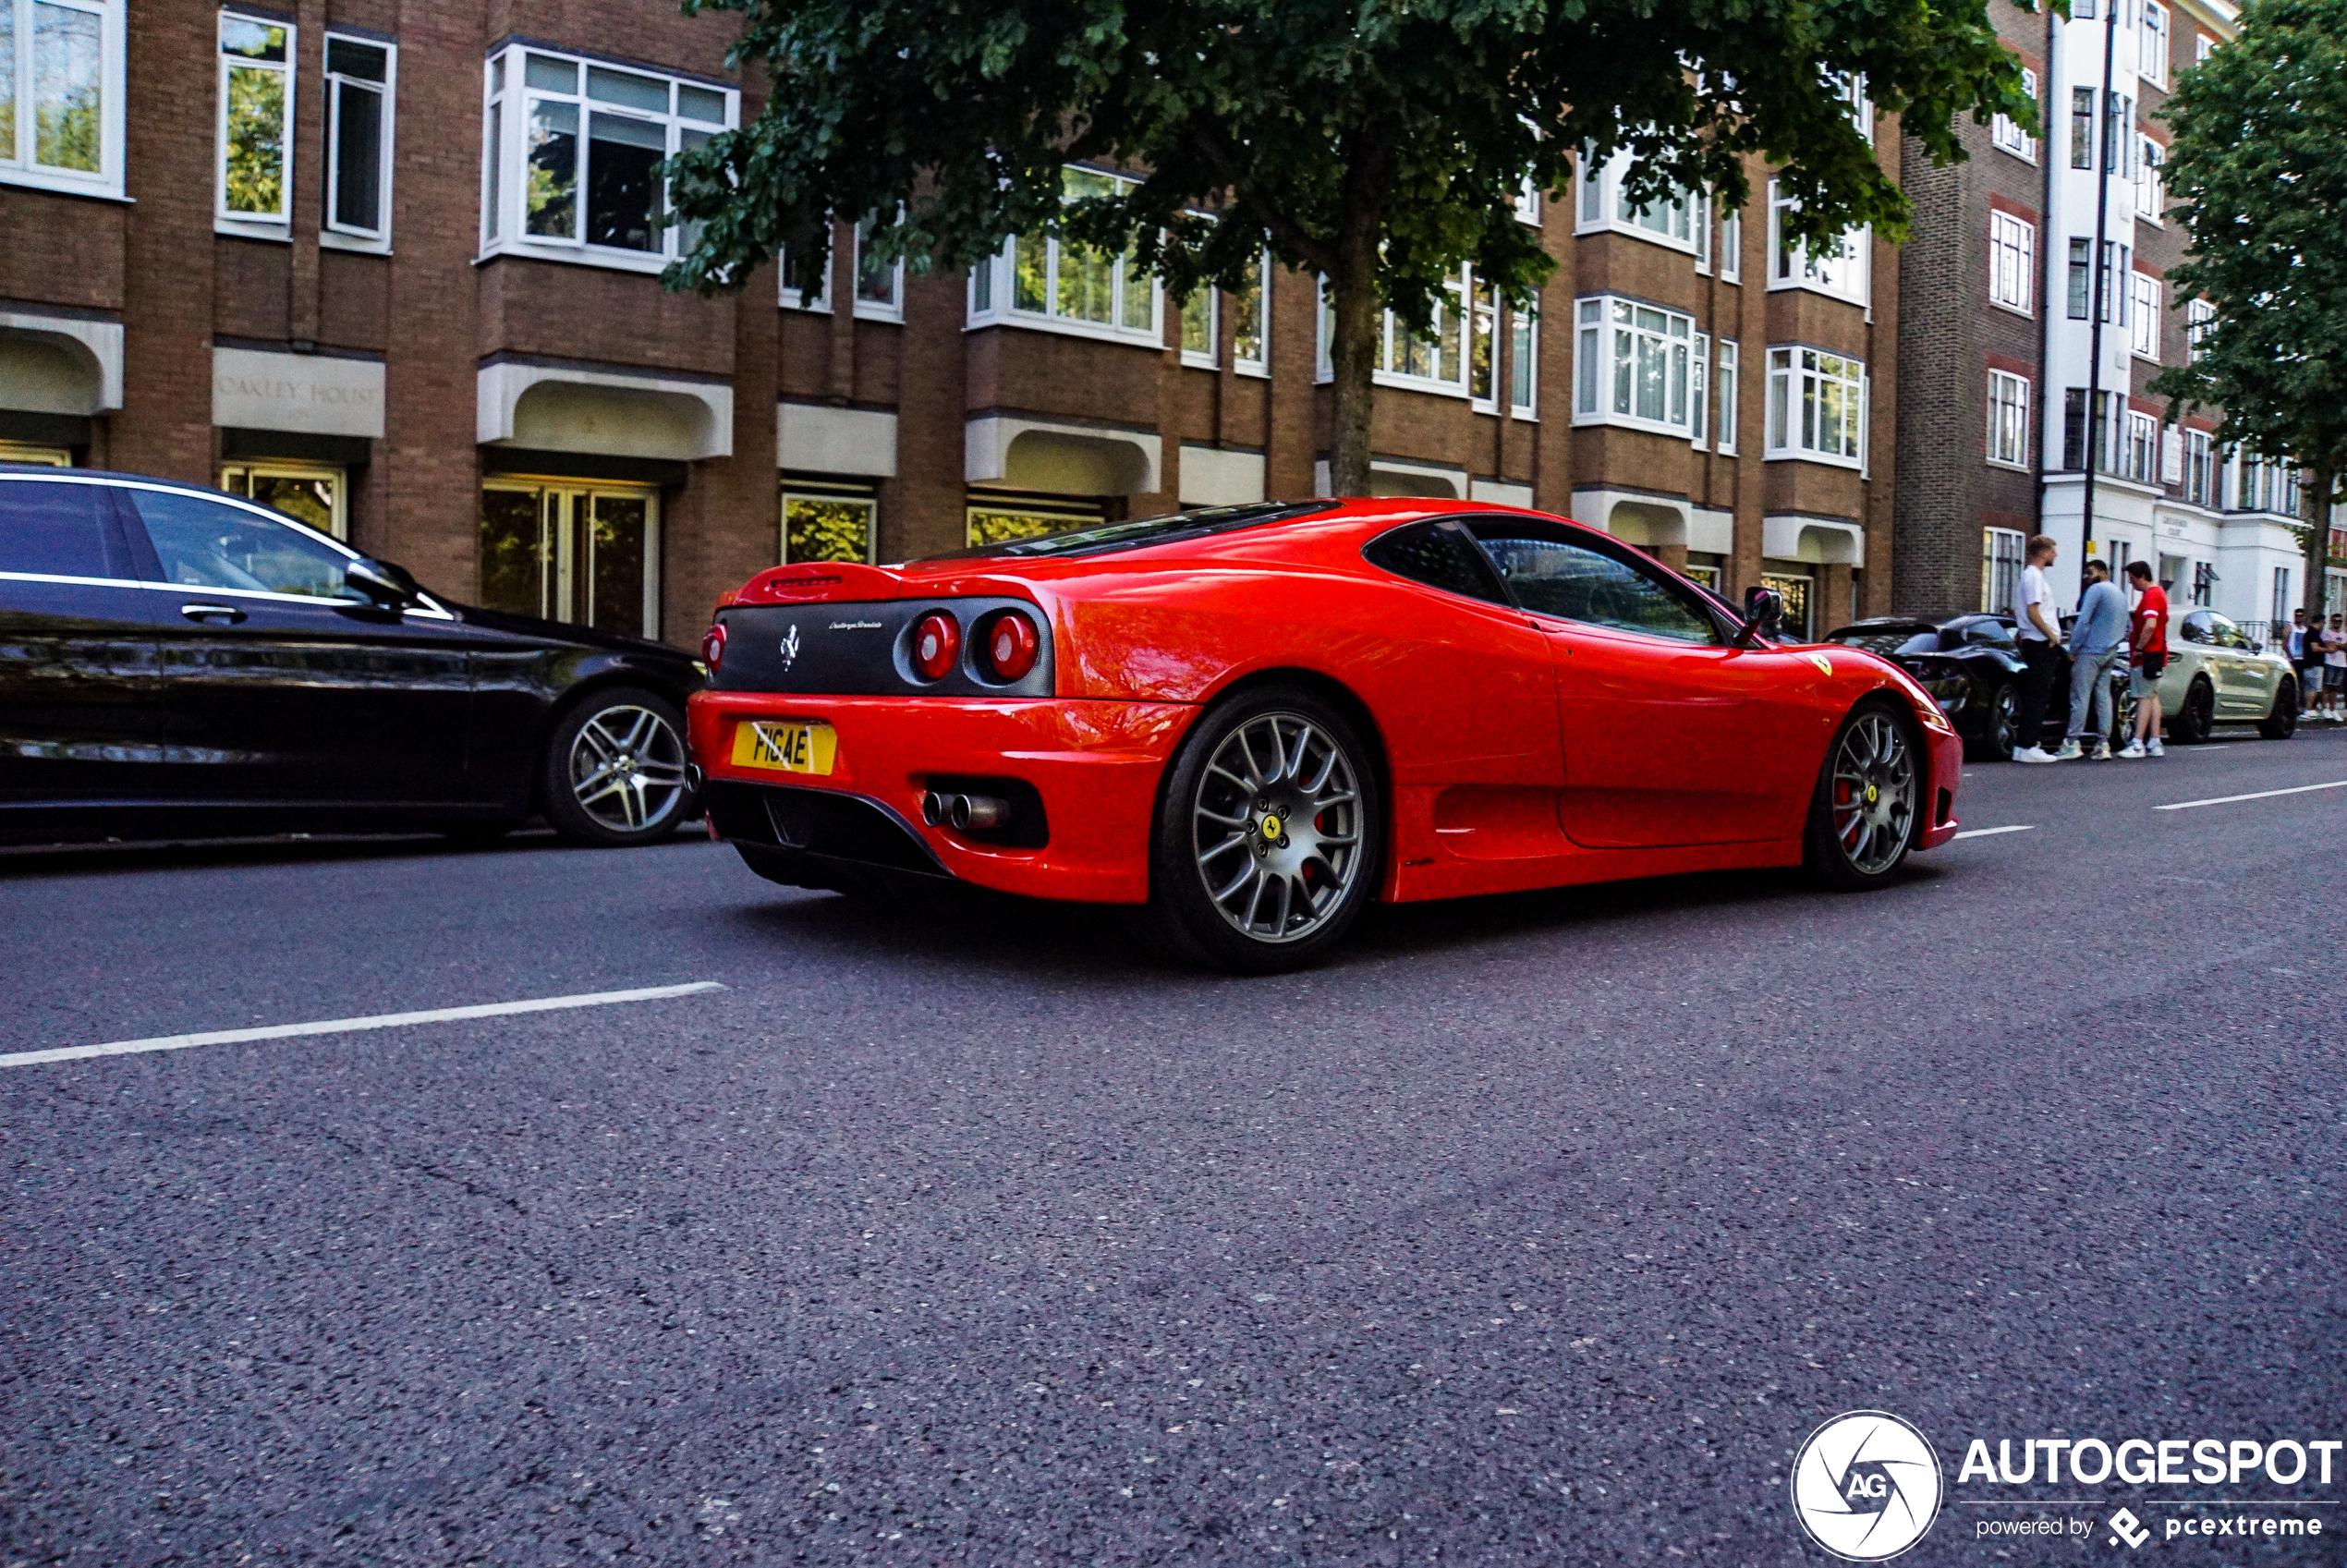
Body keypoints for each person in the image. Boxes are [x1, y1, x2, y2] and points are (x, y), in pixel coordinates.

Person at [2055, 558, 2126, 760]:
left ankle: (2072, 741)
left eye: (2090, 572)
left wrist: (2074, 647)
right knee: (2103, 697)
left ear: (2103, 572)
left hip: (2090, 651)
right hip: (2110, 651)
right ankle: (2103, 743)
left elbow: (2083, 621)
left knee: (2080, 696)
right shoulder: (2120, 594)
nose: (2087, 577)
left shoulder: (2096, 591)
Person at [2010, 535, 2064, 763]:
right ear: (2043, 552)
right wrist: (2051, 636)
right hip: (2040, 643)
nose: (2055, 554)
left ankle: (2026, 745)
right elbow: (2033, 612)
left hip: (2036, 641)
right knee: (2037, 695)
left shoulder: (2032, 576)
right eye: (2053, 550)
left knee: (2038, 694)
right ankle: (2028, 746)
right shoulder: (2033, 576)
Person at [2118, 559, 2169, 758]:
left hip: (2147, 654)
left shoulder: (2151, 596)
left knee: (2143, 697)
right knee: (2152, 695)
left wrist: (2139, 647)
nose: (2131, 584)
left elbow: (2150, 624)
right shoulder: (2158, 593)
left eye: (2132, 579)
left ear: (2142, 577)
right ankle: (2155, 741)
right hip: (2155, 653)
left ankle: (2137, 742)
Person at [2327, 612, 2347, 721]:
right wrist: (2341, 645)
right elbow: (2328, 645)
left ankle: (2333, 709)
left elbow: (2344, 647)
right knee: (2327, 685)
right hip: (2330, 662)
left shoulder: (2344, 634)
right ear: (2332, 621)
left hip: (2341, 663)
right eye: (2336, 621)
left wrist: (2336, 645)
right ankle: (2326, 708)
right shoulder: (2327, 632)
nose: (2337, 623)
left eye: (2340, 621)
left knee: (2335, 686)